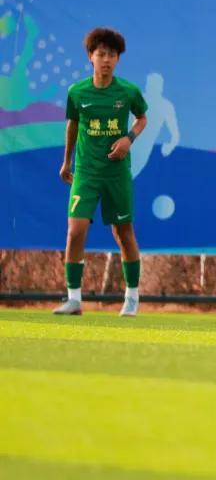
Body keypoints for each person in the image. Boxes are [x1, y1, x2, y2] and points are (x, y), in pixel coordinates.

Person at [53, 28, 148, 317]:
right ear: (90, 57)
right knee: (75, 231)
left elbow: (142, 118)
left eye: (112, 55)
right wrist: (66, 162)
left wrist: (128, 139)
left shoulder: (128, 91)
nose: (106, 60)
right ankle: (74, 299)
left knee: (124, 233)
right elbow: (72, 125)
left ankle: (132, 298)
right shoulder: (77, 92)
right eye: (101, 54)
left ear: (118, 59)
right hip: (86, 172)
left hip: (116, 173)